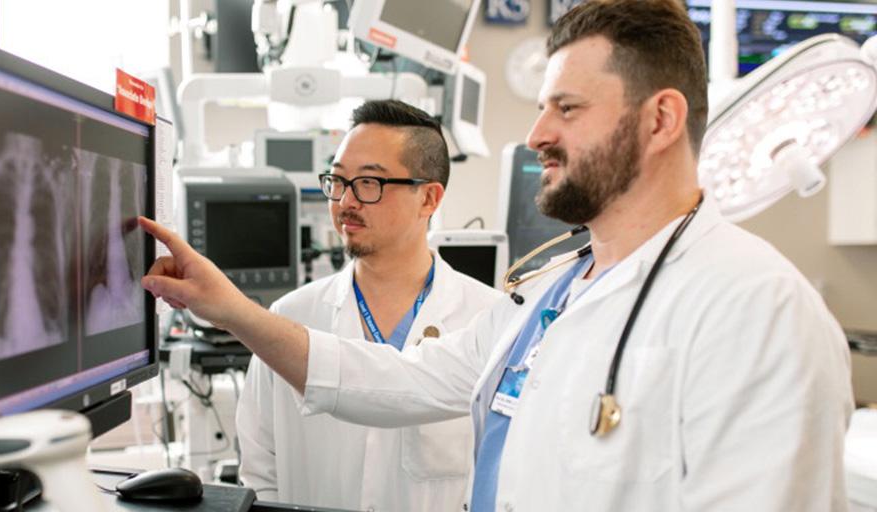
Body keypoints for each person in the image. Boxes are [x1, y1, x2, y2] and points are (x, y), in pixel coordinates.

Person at [139, 0, 854, 509]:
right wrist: (225, 308)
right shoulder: (551, 295)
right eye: (543, 106)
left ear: (661, 118)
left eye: (567, 109)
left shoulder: (758, 311)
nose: (538, 132)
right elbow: (382, 381)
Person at [235, 100, 501, 511]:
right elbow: (259, 469)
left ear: (429, 199)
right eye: (338, 181)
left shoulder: (489, 321)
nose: (345, 202)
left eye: (369, 184)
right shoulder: (290, 318)